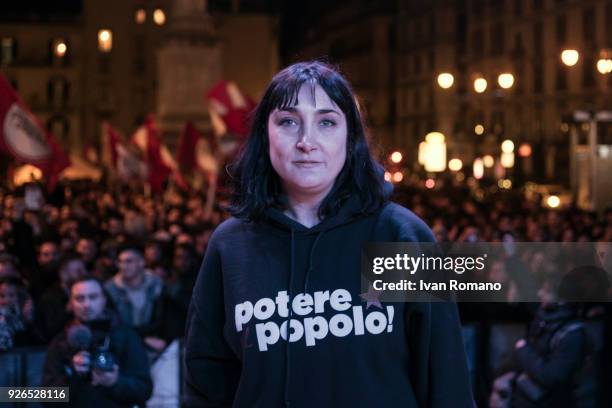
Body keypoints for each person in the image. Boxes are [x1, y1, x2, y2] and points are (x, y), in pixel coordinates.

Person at [183, 61, 474, 407]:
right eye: (288, 122)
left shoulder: (403, 237)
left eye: (327, 122)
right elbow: (206, 381)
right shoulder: (231, 246)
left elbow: (446, 381)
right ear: (265, 134)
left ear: (350, 137)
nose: (307, 141)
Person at [42, 276, 152, 407]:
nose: (86, 304)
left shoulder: (126, 336)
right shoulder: (60, 341)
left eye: (93, 297)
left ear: (104, 300)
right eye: (79, 298)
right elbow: (47, 398)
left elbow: (144, 390)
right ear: (71, 304)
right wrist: (72, 375)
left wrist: (115, 383)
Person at [104, 244, 166, 351]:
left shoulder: (156, 285)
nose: (123, 266)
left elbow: (161, 320)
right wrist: (142, 339)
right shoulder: (110, 289)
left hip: (153, 343)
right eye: (120, 262)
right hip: (123, 345)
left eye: (129, 261)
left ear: (141, 263)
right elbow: (112, 325)